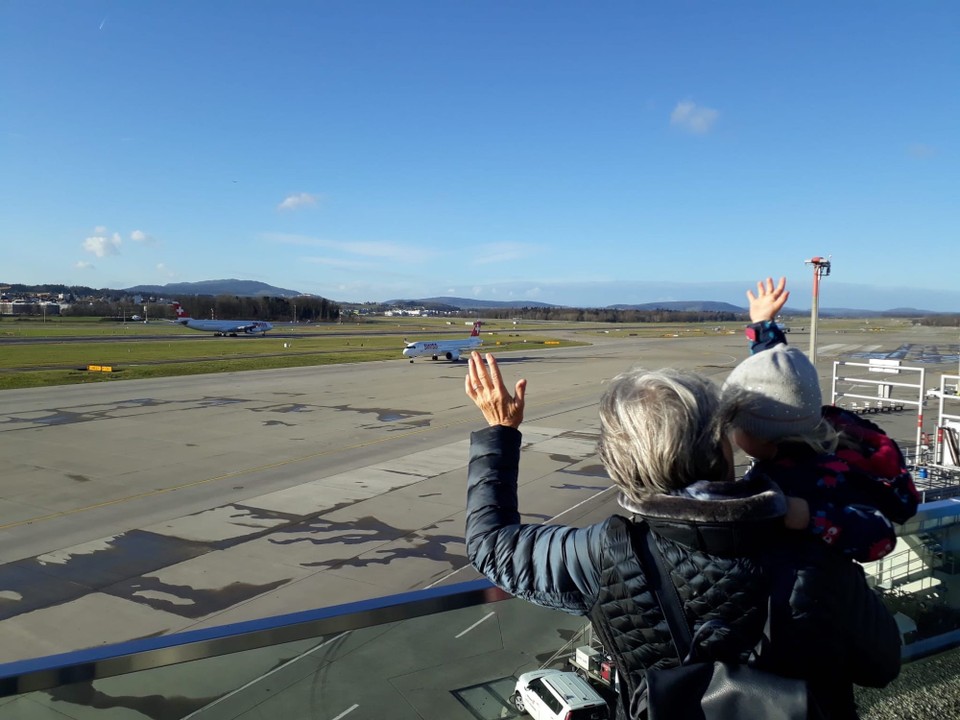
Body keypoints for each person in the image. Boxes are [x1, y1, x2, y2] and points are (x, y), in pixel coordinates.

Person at [464, 350, 901, 719]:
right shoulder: (812, 539)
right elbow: (882, 664)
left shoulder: (603, 555)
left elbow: (489, 545)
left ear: (621, 465)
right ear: (722, 446)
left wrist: (501, 432)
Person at [723, 277, 919, 562]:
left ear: (759, 437)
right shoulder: (819, 425)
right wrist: (763, 325)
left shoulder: (812, 477)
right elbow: (783, 381)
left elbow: (881, 537)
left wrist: (811, 517)